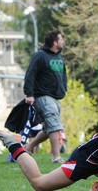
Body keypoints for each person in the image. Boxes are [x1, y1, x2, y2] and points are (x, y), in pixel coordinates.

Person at [23, 30, 68, 164]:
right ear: (55, 42)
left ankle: (28, 148)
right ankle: (56, 157)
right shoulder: (40, 56)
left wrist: (64, 88)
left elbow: (63, 75)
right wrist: (29, 94)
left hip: (55, 98)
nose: (63, 42)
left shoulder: (59, 57)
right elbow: (30, 75)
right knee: (54, 126)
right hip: (42, 96)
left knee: (49, 129)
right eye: (61, 39)